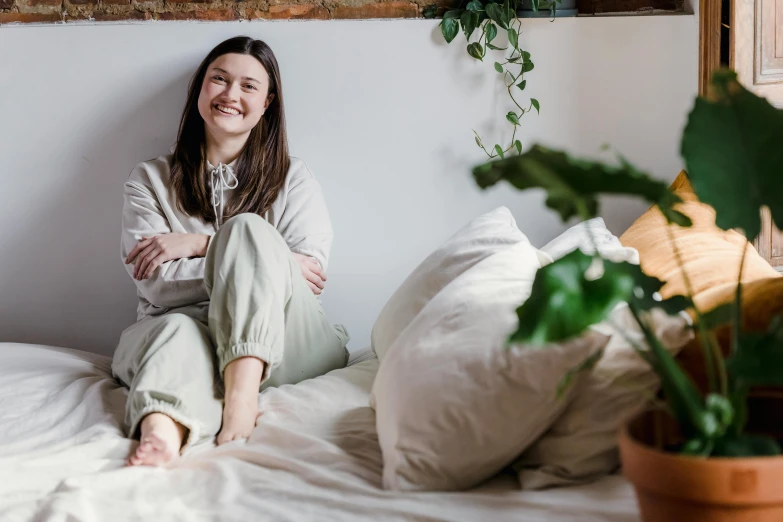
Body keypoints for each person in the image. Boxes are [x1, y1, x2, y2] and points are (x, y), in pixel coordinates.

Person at [113, 36, 350, 467]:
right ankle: (161, 431)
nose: (230, 95)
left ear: (267, 103)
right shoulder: (149, 179)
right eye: (219, 80)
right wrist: (262, 264)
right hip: (184, 327)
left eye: (248, 86)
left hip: (288, 339)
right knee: (175, 333)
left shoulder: (294, 178)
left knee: (247, 229)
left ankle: (241, 397)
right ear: (200, 89)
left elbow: (309, 276)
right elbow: (157, 285)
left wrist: (203, 243)